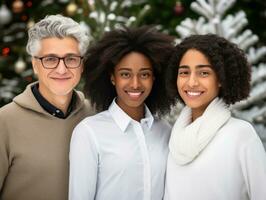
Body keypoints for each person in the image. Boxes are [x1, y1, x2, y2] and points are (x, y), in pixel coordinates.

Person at [69, 26, 175, 200]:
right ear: (112, 77)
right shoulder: (89, 132)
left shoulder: (164, 131)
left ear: (154, 78)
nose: (135, 84)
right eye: (125, 74)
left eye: (144, 74)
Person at [0, 14, 94, 200]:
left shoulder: (96, 116)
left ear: (81, 65)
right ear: (35, 64)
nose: (61, 69)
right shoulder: (4, 122)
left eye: (71, 59)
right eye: (50, 59)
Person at [163, 34, 266, 200]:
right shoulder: (174, 139)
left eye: (203, 73)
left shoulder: (240, 134)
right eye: (184, 72)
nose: (191, 82)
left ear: (220, 79)